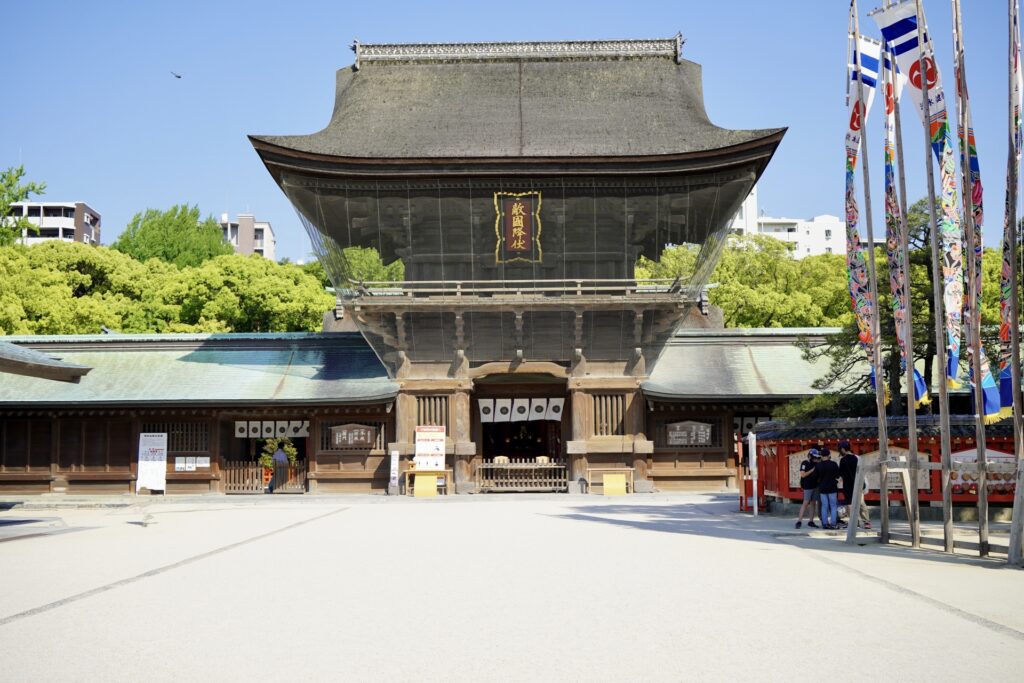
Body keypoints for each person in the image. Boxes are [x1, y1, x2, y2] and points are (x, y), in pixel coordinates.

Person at [838, 440, 871, 529]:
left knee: (849, 504)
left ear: (843, 449)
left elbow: (840, 474)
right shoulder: (858, 458)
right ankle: (867, 522)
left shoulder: (843, 460)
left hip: (848, 485)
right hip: (859, 483)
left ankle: (854, 523)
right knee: (861, 503)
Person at [815, 447, 841, 529]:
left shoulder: (818, 465)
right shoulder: (833, 464)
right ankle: (833, 523)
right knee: (833, 506)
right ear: (829, 455)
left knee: (824, 506)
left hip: (822, 487)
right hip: (832, 487)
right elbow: (837, 476)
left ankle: (825, 523)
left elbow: (815, 477)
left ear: (821, 456)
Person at [795, 448, 820, 529]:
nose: (815, 459)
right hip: (807, 486)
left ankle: (811, 521)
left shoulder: (817, 464)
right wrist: (812, 470)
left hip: (816, 486)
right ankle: (799, 521)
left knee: (813, 503)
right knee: (805, 503)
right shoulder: (805, 463)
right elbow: (803, 475)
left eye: (817, 457)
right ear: (810, 456)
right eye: (814, 457)